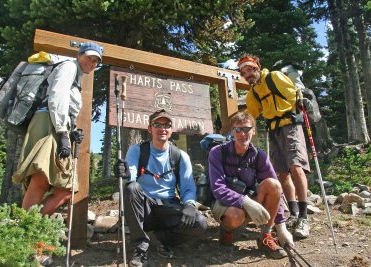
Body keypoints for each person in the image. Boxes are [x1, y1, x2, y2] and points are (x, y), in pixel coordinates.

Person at [13, 42, 103, 216]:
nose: (91, 63)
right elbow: (56, 98)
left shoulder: (76, 74)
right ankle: (27, 234)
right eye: (88, 57)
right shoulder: (69, 66)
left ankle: (31, 231)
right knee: (41, 180)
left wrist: (71, 131)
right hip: (48, 124)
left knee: (65, 189)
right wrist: (63, 132)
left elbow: (64, 104)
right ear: (79, 55)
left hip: (56, 125)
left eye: (95, 61)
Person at [114, 109, 208, 267]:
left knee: (200, 223)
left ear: (171, 130)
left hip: (168, 207)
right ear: (150, 128)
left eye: (167, 125)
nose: (162, 128)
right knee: (132, 188)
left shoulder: (180, 156)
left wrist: (190, 205)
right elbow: (130, 178)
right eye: (157, 124)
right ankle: (140, 248)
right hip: (144, 208)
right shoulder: (137, 150)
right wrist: (123, 174)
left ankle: (162, 238)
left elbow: (188, 187)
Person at [237, 54, 311, 238]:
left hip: (290, 124)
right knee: (282, 173)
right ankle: (293, 214)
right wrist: (234, 127)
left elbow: (295, 95)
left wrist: (303, 114)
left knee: (296, 166)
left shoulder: (274, 77)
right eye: (243, 72)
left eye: (249, 70)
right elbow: (251, 115)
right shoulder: (253, 93)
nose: (247, 74)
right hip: (273, 129)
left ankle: (303, 217)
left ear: (256, 68)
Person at [208, 111, 293, 259]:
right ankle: (226, 230)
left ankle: (266, 236)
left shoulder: (259, 156)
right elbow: (218, 188)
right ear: (232, 132)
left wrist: (281, 226)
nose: (242, 134)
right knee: (236, 216)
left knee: (274, 184)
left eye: (247, 129)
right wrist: (245, 202)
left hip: (251, 199)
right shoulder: (217, 152)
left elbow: (276, 191)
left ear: (253, 131)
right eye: (237, 129)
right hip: (225, 204)